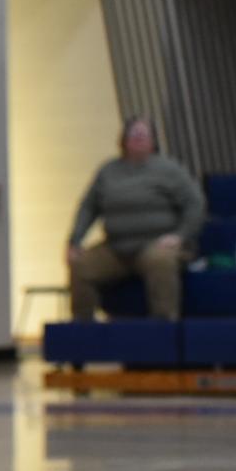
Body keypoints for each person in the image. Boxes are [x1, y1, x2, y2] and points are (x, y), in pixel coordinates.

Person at [66, 116, 205, 322]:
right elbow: (88, 207)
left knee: (161, 261)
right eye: (134, 133)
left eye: (144, 134)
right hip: (115, 248)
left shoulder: (169, 169)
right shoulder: (108, 171)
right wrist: (75, 240)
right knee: (81, 265)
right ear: (123, 140)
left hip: (155, 244)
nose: (139, 138)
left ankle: (164, 328)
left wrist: (180, 235)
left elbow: (195, 203)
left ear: (153, 141)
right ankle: (83, 330)